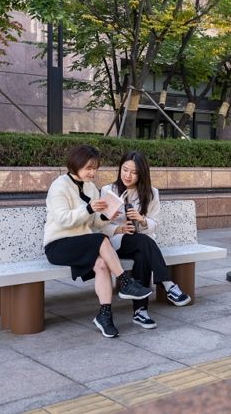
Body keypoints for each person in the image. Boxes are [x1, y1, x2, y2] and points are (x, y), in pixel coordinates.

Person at [43, 145, 153, 338]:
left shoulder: (91, 188)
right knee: (101, 240)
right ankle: (125, 281)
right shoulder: (59, 186)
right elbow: (62, 219)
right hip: (58, 244)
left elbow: (94, 222)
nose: (92, 172)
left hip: (82, 243)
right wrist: (89, 208)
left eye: (95, 168)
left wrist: (108, 215)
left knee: (102, 264)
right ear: (75, 165)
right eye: (88, 168)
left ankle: (105, 315)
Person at [101, 151, 191, 330]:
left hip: (141, 243)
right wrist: (119, 228)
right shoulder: (108, 191)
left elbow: (154, 224)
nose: (127, 175)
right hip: (116, 243)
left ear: (142, 174)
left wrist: (141, 220)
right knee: (144, 243)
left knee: (142, 251)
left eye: (133, 172)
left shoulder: (151, 193)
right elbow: (99, 226)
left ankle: (140, 311)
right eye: (124, 170)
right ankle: (168, 284)